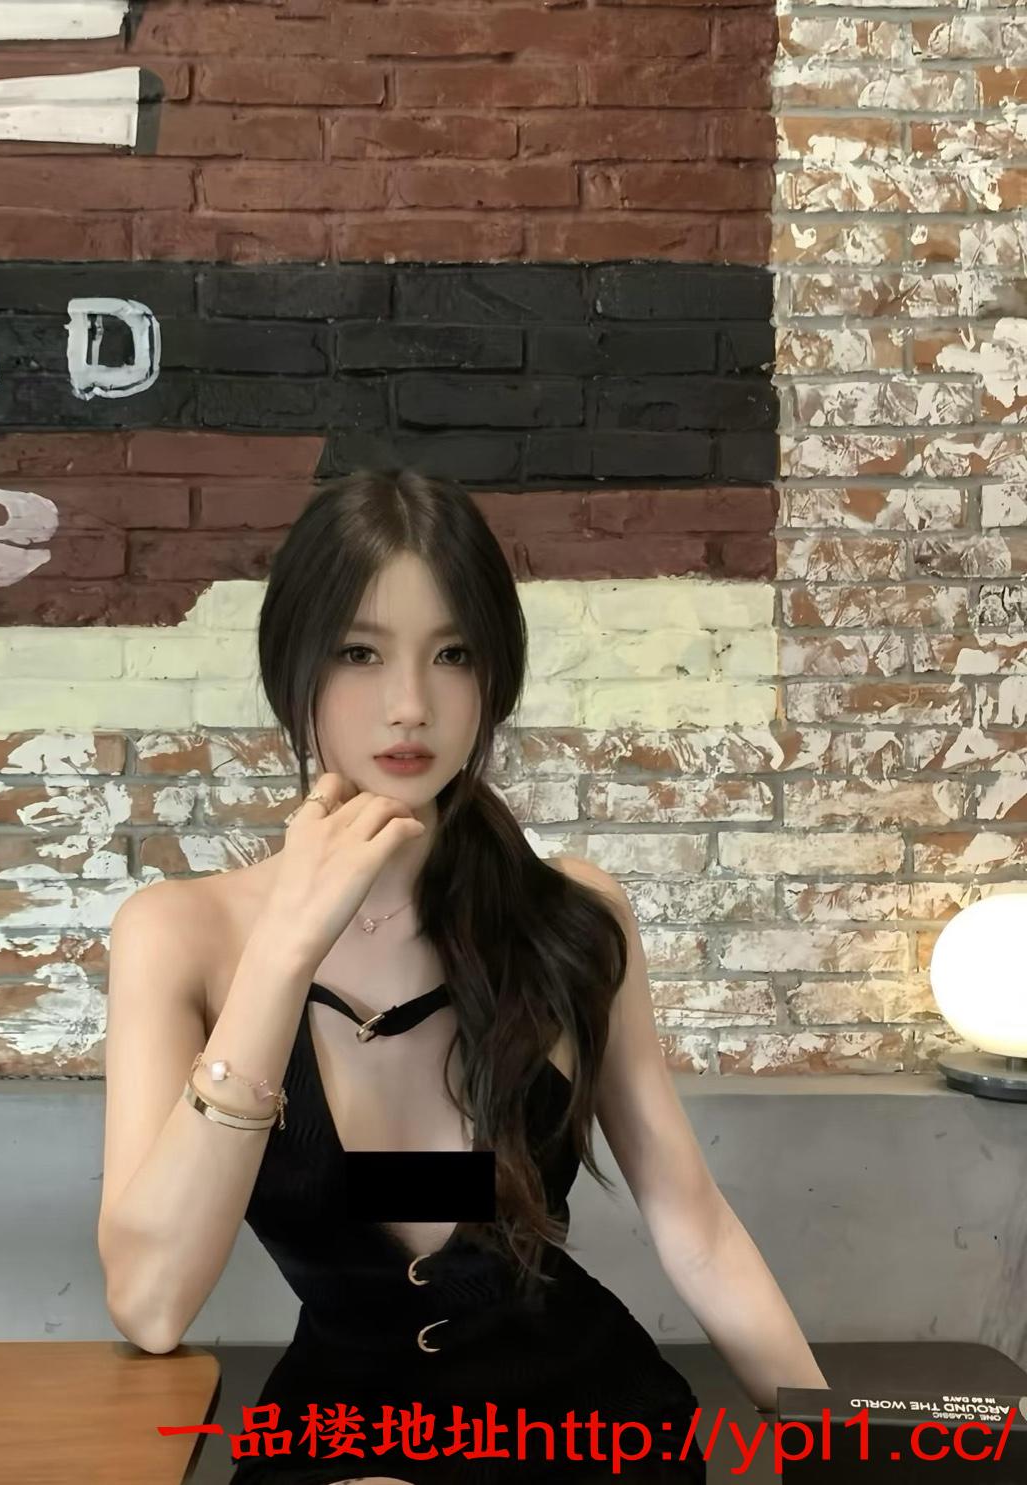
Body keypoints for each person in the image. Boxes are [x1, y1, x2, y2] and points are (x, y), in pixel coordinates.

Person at [97, 467, 828, 1483]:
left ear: (494, 677)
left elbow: (691, 1220)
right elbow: (152, 1303)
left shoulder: (572, 919)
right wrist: (284, 951)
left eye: (453, 655)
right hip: (342, 1435)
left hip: (582, 1425)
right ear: (293, 666)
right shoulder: (179, 935)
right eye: (359, 652)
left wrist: (850, 1439)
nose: (410, 705)